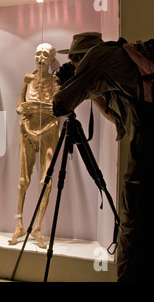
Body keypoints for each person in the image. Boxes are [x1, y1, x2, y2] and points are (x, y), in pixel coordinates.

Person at [53, 35, 154, 282]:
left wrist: (68, 85)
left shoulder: (97, 59)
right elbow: (117, 118)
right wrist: (87, 91)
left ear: (81, 57)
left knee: (132, 226)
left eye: (74, 62)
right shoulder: (122, 60)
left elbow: (60, 105)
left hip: (146, 150)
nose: (75, 67)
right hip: (144, 141)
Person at [8, 43, 60, 248]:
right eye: (38, 53)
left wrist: (44, 108)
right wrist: (26, 107)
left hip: (49, 128)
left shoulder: (55, 80)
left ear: (50, 59)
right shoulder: (27, 79)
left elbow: (59, 107)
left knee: (45, 180)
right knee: (23, 179)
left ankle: (38, 228)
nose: (40, 58)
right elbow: (19, 106)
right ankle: (19, 223)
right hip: (28, 127)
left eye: (45, 55)